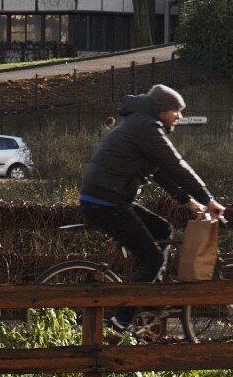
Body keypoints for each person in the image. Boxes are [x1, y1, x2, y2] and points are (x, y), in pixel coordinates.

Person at [78, 84, 224, 334]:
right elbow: (176, 165)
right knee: (153, 257)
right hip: (105, 202)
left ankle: (149, 296)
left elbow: (159, 171)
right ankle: (121, 321)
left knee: (162, 228)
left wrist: (189, 202)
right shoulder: (146, 127)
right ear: (162, 109)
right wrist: (208, 199)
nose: (180, 117)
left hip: (108, 198)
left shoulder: (138, 124)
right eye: (177, 111)